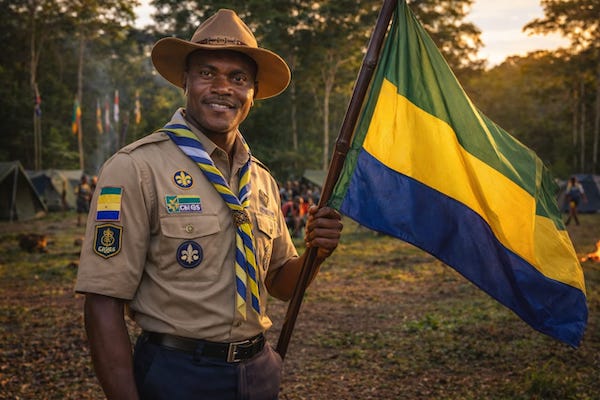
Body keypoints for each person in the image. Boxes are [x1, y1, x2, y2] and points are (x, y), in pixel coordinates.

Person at [75, 9, 343, 400]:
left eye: (238, 78)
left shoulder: (261, 180)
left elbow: (281, 283)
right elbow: (102, 302)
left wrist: (316, 253)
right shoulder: (135, 168)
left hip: (257, 371)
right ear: (185, 80)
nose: (223, 88)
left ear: (253, 92)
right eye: (207, 73)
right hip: (177, 375)